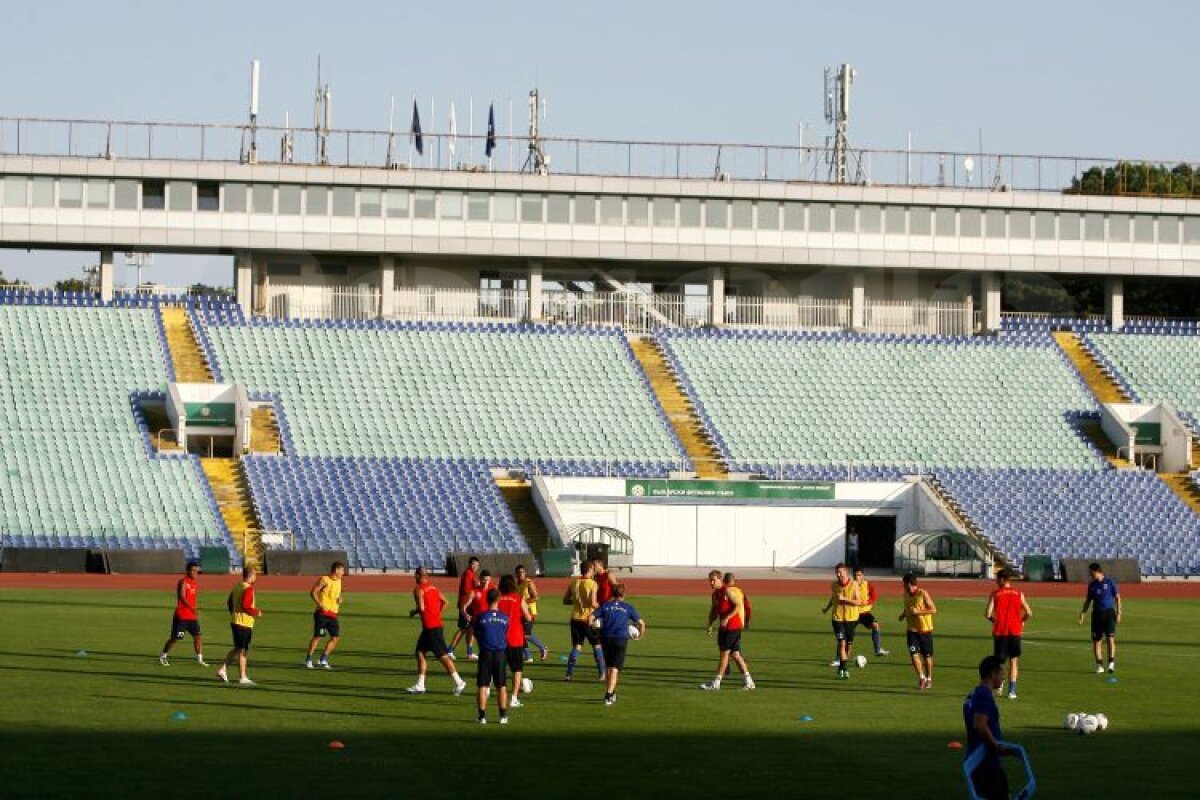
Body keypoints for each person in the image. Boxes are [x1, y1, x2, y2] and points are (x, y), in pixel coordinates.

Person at [963, 655, 1020, 800]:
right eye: (1001, 673)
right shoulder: (983, 696)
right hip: (986, 763)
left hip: (977, 760)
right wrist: (995, 746)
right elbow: (980, 725)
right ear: (992, 674)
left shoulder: (974, 694)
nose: (1003, 677)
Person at [406, 567, 467, 696]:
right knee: (420, 652)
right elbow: (445, 602)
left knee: (442, 656)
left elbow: (422, 607)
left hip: (430, 627)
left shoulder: (418, 590)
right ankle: (420, 684)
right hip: (435, 625)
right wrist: (436, 613)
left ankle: (459, 681)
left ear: (418, 575)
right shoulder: (433, 587)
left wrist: (415, 611)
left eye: (415, 575)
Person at [701, 570, 755, 691]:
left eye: (713, 580)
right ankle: (749, 681)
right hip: (724, 627)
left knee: (724, 653)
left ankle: (716, 682)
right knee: (735, 654)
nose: (711, 582)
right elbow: (714, 610)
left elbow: (737, 606)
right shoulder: (715, 594)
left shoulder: (728, 591)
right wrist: (710, 623)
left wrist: (727, 617)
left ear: (720, 580)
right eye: (710, 580)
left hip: (733, 627)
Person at [592, 583, 645, 706]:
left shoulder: (605, 606)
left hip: (605, 638)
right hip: (620, 640)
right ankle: (608, 696)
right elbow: (642, 623)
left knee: (609, 667)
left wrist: (595, 629)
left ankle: (611, 692)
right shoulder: (628, 607)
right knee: (615, 669)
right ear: (624, 594)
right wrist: (640, 636)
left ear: (612, 593)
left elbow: (591, 617)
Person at [985, 569, 1032, 700]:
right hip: (1015, 631)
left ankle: (998, 684)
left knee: (999, 661)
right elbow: (1029, 612)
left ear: (1001, 579)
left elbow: (987, 614)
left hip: (1000, 631)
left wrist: (995, 621)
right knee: (1014, 661)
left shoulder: (995, 594)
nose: (995, 581)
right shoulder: (1019, 593)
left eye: (996, 579)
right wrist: (1021, 622)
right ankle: (1012, 691)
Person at [217, 566, 261, 685]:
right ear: (251, 576)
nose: (256, 577)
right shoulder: (248, 588)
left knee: (238, 648)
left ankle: (223, 669)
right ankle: (242, 676)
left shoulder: (237, 586)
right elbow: (246, 606)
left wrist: (233, 613)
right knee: (243, 650)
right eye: (255, 575)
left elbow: (229, 602)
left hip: (235, 621)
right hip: (244, 623)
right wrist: (257, 612)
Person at [821, 562, 866, 679]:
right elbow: (833, 598)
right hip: (837, 618)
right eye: (836, 572)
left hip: (851, 619)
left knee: (848, 646)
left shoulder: (854, 585)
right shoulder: (834, 585)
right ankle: (845, 669)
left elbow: (859, 602)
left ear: (846, 572)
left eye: (840, 572)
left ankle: (841, 667)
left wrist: (845, 599)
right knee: (842, 643)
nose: (838, 574)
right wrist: (827, 608)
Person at [473, 588, 511, 724]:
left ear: (487, 599)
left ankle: (482, 717)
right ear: (498, 599)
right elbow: (505, 633)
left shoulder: (481, 617)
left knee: (483, 685)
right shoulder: (505, 618)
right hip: (500, 654)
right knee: (501, 686)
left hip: (485, 653)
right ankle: (503, 716)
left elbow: (476, 633)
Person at [562, 560, 605, 681]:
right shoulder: (592, 584)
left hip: (575, 619)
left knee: (577, 646)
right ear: (590, 570)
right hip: (588, 619)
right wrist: (602, 607)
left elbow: (565, 600)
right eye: (592, 570)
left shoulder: (574, 582)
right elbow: (592, 603)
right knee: (597, 645)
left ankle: (568, 674)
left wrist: (576, 602)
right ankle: (602, 673)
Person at [159, 561, 207, 667]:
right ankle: (163, 655)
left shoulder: (194, 582)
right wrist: (191, 608)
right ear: (187, 570)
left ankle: (200, 659)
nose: (195, 572)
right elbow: (182, 596)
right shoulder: (183, 581)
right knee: (176, 638)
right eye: (193, 570)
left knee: (198, 636)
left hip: (192, 617)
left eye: (197, 570)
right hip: (182, 616)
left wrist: (193, 610)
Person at [496, 574, 533, 708]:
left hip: (500, 637)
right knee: (517, 669)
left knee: (499, 667)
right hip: (516, 637)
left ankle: (493, 691)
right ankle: (514, 698)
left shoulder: (498, 598)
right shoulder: (518, 598)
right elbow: (528, 617)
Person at [1079, 562, 1122, 674]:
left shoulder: (1109, 582)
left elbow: (1117, 597)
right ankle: (1099, 665)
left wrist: (1119, 612)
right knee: (1097, 641)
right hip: (1097, 615)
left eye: (1090, 572)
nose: (1089, 574)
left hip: (1109, 613)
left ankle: (1111, 663)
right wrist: (1083, 612)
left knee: (1110, 638)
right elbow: (1088, 600)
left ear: (1096, 571)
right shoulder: (1092, 585)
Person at [899, 573, 937, 689]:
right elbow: (908, 607)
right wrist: (903, 615)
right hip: (912, 631)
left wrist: (918, 612)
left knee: (927, 657)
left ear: (909, 584)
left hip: (925, 630)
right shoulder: (905, 594)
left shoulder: (923, 594)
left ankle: (929, 678)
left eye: (904, 584)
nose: (903, 586)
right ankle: (921, 677)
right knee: (914, 654)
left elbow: (934, 609)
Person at [305, 561, 345, 669]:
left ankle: (323, 659)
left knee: (335, 638)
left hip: (333, 615)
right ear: (336, 570)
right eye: (342, 570)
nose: (343, 572)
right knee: (318, 636)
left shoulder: (340, 581)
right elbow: (313, 592)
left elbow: (338, 594)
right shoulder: (324, 579)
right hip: (322, 614)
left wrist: (340, 599)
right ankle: (308, 659)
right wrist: (320, 604)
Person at [447, 556, 481, 660]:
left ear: (478, 566)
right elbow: (467, 590)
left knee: (470, 629)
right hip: (465, 606)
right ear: (469, 564)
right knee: (463, 628)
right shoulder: (468, 574)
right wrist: (477, 586)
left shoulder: (472, 574)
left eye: (475, 564)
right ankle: (450, 650)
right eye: (472, 564)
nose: (474, 566)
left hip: (470, 606)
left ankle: (469, 653)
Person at [515, 564, 549, 662]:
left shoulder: (529, 583)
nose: (520, 574)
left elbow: (536, 597)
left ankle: (543, 648)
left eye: (522, 572)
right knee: (520, 633)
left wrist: (524, 602)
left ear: (525, 573)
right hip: (521, 612)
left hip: (530, 612)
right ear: (516, 574)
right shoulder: (517, 584)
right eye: (518, 572)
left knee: (526, 634)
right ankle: (528, 656)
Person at [853, 567, 890, 657]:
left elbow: (874, 597)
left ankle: (877, 650)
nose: (856, 577)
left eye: (858, 575)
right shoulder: (851, 585)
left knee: (875, 626)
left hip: (865, 613)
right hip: (853, 613)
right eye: (855, 575)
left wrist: (868, 602)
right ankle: (839, 658)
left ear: (862, 576)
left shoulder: (867, 585)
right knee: (846, 635)